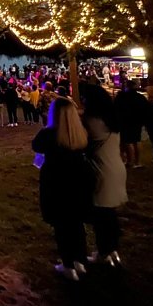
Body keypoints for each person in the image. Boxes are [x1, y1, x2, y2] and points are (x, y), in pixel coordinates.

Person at [31, 97, 93, 281]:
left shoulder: (49, 133)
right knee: (76, 223)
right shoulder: (80, 132)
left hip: (56, 182)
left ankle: (68, 264)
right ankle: (80, 261)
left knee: (62, 225)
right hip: (78, 180)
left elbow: (36, 146)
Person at [81, 84, 128, 267]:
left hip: (102, 170)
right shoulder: (112, 120)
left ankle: (104, 252)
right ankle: (112, 250)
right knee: (109, 213)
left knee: (101, 214)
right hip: (116, 166)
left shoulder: (91, 121)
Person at [114, 80, 148, 168]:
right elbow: (146, 109)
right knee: (137, 140)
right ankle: (137, 161)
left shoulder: (122, 96)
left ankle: (130, 161)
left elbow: (116, 108)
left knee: (128, 141)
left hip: (125, 120)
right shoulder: (140, 97)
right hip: (137, 121)